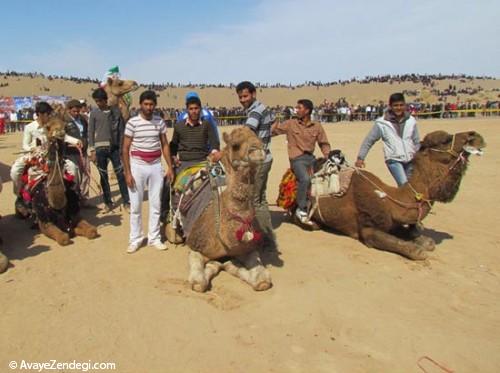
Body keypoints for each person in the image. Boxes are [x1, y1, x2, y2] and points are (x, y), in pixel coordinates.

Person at [122, 90, 174, 253]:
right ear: (140, 104)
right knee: (136, 205)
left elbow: (164, 144)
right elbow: (125, 148)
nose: (149, 107)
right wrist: (127, 172)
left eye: (152, 104)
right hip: (137, 166)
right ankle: (136, 239)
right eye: (146, 104)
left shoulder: (159, 122)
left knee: (156, 204)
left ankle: (154, 238)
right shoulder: (132, 122)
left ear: (155, 105)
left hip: (155, 166)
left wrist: (170, 166)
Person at [272, 99, 331, 224]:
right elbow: (273, 132)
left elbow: (323, 143)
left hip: (311, 158)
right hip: (297, 159)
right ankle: (301, 209)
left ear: (307, 110)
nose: (296, 110)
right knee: (305, 179)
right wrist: (274, 123)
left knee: (329, 174)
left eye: (299, 108)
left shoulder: (317, 126)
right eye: (296, 108)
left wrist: (328, 156)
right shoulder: (291, 124)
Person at [236, 81, 275, 249]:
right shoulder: (261, 109)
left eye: (245, 96)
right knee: (261, 198)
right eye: (240, 97)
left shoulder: (255, 111)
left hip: (259, 160)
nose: (243, 99)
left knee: (256, 200)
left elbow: (246, 132)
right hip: (264, 158)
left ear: (253, 94)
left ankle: (266, 239)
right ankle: (266, 234)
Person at [10, 102, 81, 194]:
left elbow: (62, 136)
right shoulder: (29, 127)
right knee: (15, 171)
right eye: (47, 114)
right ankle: (19, 193)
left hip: (51, 155)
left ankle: (72, 194)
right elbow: (25, 145)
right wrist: (33, 149)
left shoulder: (52, 125)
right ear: (40, 114)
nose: (49, 116)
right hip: (33, 155)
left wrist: (76, 141)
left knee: (73, 168)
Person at [355, 92, 420, 187]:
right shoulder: (382, 123)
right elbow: (369, 140)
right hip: (394, 160)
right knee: (404, 185)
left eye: (401, 105)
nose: (398, 108)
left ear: (405, 105)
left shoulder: (411, 121)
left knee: (412, 187)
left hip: (411, 159)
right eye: (395, 105)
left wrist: (419, 157)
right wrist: (361, 158)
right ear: (390, 106)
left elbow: (416, 141)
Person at [88, 88, 130, 213]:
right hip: (100, 149)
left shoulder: (115, 111)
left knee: (120, 176)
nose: (98, 103)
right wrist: (92, 150)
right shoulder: (94, 113)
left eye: (100, 101)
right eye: (96, 101)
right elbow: (90, 131)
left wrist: (122, 148)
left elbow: (122, 129)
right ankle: (108, 203)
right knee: (103, 176)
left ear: (105, 100)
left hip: (115, 148)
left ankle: (126, 202)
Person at [64, 99, 90, 206]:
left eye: (78, 111)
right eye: (74, 111)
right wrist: (73, 143)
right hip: (70, 153)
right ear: (69, 110)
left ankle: (84, 199)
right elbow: (62, 136)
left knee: (86, 174)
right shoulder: (63, 121)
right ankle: (74, 199)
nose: (76, 113)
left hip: (83, 151)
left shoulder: (83, 120)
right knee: (74, 175)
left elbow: (86, 134)